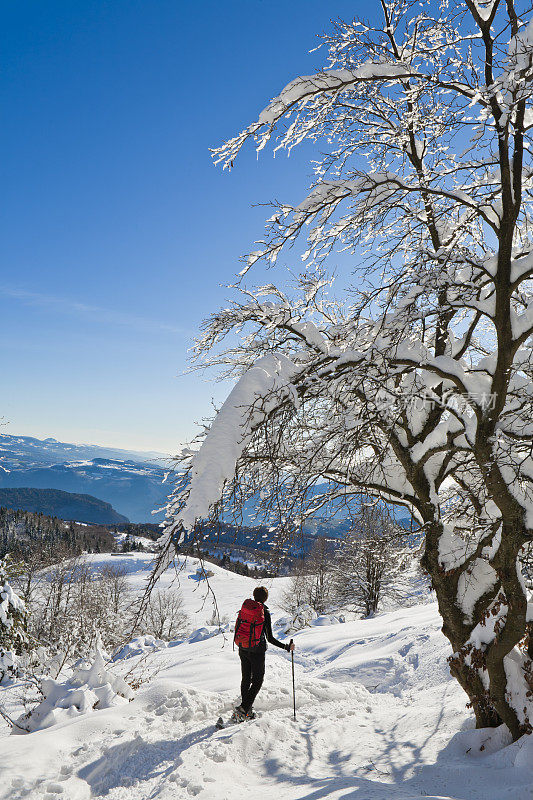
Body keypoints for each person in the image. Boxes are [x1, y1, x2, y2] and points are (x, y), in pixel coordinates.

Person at [233, 585, 295, 721]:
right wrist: (286, 647)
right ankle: (243, 710)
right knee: (257, 680)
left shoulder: (246, 608)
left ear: (254, 595)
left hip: (243, 648)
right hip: (257, 650)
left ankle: (246, 710)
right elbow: (270, 638)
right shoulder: (263, 612)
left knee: (246, 679)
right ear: (266, 598)